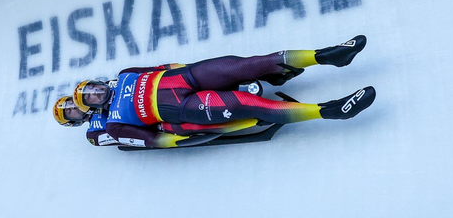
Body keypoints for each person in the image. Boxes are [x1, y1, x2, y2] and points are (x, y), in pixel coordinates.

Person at [69, 35, 375, 149]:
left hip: (188, 76)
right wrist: (182, 137)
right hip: (185, 106)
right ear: (92, 108)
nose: (96, 92)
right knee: (249, 103)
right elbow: (151, 140)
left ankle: (327, 55)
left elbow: (161, 67)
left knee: (253, 63)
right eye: (91, 97)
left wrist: (186, 68)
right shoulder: (114, 124)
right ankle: (330, 110)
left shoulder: (124, 75)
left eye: (93, 87)